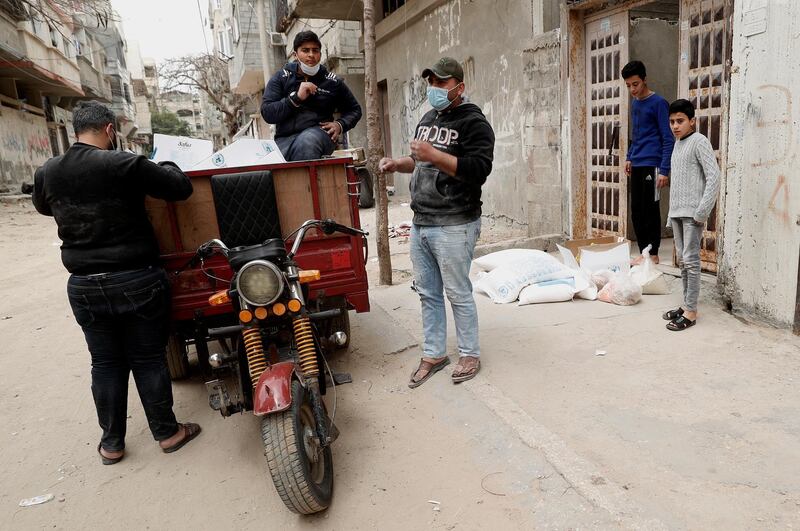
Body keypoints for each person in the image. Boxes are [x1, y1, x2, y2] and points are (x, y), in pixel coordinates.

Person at [32, 101, 201, 465]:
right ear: (110, 129)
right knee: (147, 357)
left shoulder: (49, 171)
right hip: (136, 278)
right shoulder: (123, 163)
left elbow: (45, 207)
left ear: (76, 130)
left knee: (105, 362)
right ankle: (167, 433)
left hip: (84, 285)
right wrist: (167, 163)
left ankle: (112, 443)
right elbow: (179, 188)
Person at [379, 57, 495, 387]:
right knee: (428, 294)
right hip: (422, 222)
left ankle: (469, 353)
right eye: (431, 82)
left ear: (459, 86)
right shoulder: (428, 118)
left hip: (455, 221)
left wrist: (435, 156)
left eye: (441, 83)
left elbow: (478, 169)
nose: (435, 88)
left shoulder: (474, 122)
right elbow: (416, 162)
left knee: (458, 292)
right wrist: (395, 163)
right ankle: (434, 353)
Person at [662, 99, 720, 331]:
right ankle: (686, 305)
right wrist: (670, 214)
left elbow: (713, 177)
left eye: (680, 121)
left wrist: (701, 211)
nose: (675, 126)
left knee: (692, 262)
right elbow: (678, 184)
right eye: (672, 122)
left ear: (692, 121)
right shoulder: (677, 144)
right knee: (684, 263)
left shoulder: (699, 141)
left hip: (693, 214)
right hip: (677, 213)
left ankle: (691, 312)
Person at [261, 30, 362, 161]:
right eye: (305, 50)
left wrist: (339, 125)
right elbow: (267, 112)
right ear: (295, 54)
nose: (311, 55)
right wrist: (295, 98)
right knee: (268, 161)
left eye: (315, 50)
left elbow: (354, 110)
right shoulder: (281, 77)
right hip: (285, 139)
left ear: (320, 53)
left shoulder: (332, 81)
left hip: (319, 135)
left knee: (308, 141)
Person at [621, 60, 675, 264]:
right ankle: (643, 252)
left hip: (653, 164)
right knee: (636, 210)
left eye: (635, 84)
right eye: (628, 86)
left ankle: (653, 254)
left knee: (650, 209)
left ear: (644, 79)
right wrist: (629, 156)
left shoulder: (659, 103)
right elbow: (637, 134)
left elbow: (667, 138)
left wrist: (664, 169)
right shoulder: (635, 103)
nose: (632, 89)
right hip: (637, 162)